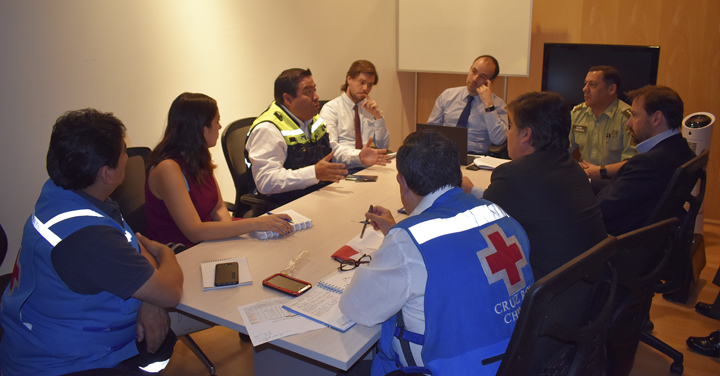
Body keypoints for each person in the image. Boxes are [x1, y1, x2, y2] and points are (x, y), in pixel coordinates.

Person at [0, 109, 184, 375]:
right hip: (62, 365)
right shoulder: (90, 238)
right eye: (123, 151)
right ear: (107, 174)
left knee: (161, 331)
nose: (127, 157)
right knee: (165, 332)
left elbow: (132, 244)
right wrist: (167, 254)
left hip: (44, 341)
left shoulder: (64, 194)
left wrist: (148, 298)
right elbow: (171, 292)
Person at [339, 130, 534, 375]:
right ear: (458, 174)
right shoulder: (498, 213)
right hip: (515, 358)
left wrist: (398, 239)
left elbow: (358, 308)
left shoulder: (407, 242)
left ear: (402, 182)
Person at [462, 92, 607, 280]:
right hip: (589, 286)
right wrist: (473, 191)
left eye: (512, 126)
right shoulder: (571, 166)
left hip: (546, 294)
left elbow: (475, 226)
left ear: (526, 134)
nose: (507, 133)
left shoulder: (514, 175)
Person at [145, 93, 294, 248]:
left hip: (208, 238)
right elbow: (194, 232)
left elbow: (218, 207)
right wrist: (255, 223)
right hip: (182, 249)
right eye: (217, 121)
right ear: (203, 129)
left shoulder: (198, 157)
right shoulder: (168, 168)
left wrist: (231, 237)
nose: (219, 126)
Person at [245, 68, 389, 205]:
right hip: (284, 207)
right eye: (308, 92)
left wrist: (359, 156)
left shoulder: (312, 119)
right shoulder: (268, 129)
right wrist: (313, 173)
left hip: (317, 195)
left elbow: (332, 151)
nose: (316, 97)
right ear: (288, 99)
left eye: (315, 89)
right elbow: (266, 182)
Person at [594, 85, 696, 236]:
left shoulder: (649, 163)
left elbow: (599, 211)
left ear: (656, 118)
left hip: (617, 243)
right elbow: (627, 189)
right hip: (654, 239)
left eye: (634, 115)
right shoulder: (684, 152)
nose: (628, 123)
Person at [427, 55, 508, 154]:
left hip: (477, 159)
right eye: (474, 71)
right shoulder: (447, 96)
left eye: (482, 77)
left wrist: (488, 105)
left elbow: (499, 139)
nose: (474, 79)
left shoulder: (498, 104)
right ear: (470, 69)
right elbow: (430, 131)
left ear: (491, 81)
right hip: (445, 156)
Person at [569, 66, 636, 180]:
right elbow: (561, 150)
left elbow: (632, 163)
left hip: (614, 181)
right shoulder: (577, 113)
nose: (585, 89)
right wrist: (576, 165)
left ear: (611, 89)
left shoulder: (628, 118)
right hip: (584, 178)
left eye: (592, 84)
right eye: (585, 83)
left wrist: (600, 171)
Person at [320, 60, 389, 150]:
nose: (365, 88)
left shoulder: (369, 109)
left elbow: (383, 145)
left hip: (368, 162)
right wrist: (359, 157)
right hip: (343, 162)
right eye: (362, 82)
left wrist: (378, 116)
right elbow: (331, 148)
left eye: (370, 85)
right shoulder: (330, 109)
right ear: (349, 79)